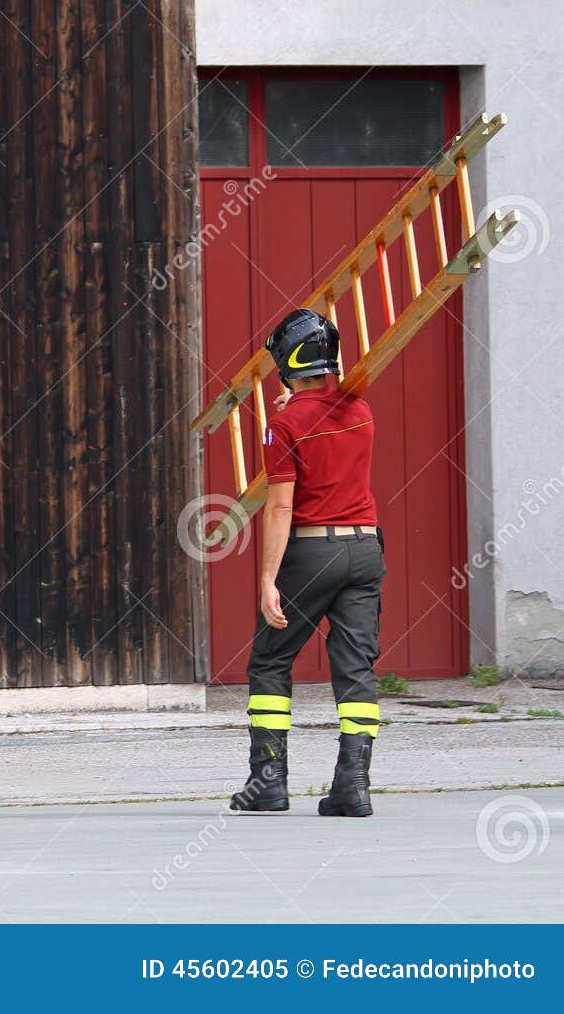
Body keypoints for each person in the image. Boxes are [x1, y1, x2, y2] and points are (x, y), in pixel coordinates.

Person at [232, 308, 386, 817]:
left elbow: (279, 506)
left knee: (272, 661)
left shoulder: (284, 424)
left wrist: (267, 580)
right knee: (356, 668)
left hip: (312, 550)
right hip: (365, 550)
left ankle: (268, 784)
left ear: (286, 361)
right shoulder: (361, 410)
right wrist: (297, 406)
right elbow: (326, 415)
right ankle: (354, 786)